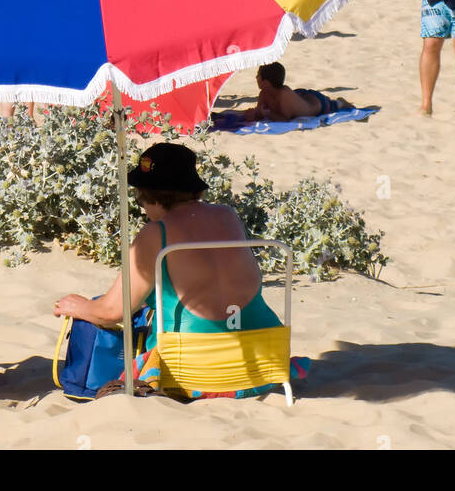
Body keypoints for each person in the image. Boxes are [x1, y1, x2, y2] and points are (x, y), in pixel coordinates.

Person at [52, 143, 284, 380]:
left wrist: (77, 306)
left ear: (146, 194)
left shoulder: (156, 234)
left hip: (196, 371)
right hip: (264, 361)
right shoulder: (227, 216)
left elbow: (111, 311)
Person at [243, 61, 350, 121]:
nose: (256, 77)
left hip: (318, 103)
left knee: (333, 105)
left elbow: (285, 119)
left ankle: (341, 102)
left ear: (266, 82)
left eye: (258, 75)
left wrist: (266, 114)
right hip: (299, 96)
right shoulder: (264, 93)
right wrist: (255, 114)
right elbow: (259, 113)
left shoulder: (283, 93)